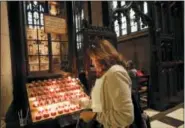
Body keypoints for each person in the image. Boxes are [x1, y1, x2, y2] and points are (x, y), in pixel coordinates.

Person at [79, 39, 134, 128]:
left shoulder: (115, 73)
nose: (92, 63)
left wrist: (94, 116)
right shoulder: (107, 74)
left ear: (100, 57)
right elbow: (102, 102)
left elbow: (126, 116)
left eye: (93, 59)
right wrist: (82, 103)